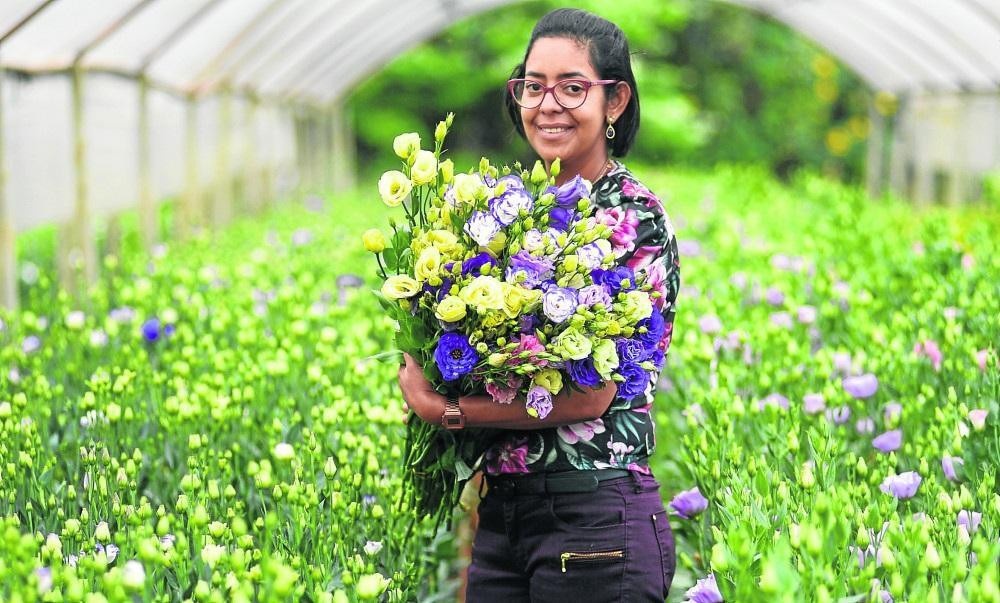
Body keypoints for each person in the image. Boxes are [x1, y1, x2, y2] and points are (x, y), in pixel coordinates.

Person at [398, 7, 680, 602]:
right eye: (533, 85)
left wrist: (446, 410)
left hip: (595, 520)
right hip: (507, 516)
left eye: (573, 87)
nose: (547, 103)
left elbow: (593, 392)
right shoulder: (511, 209)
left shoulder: (629, 217)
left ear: (616, 100)